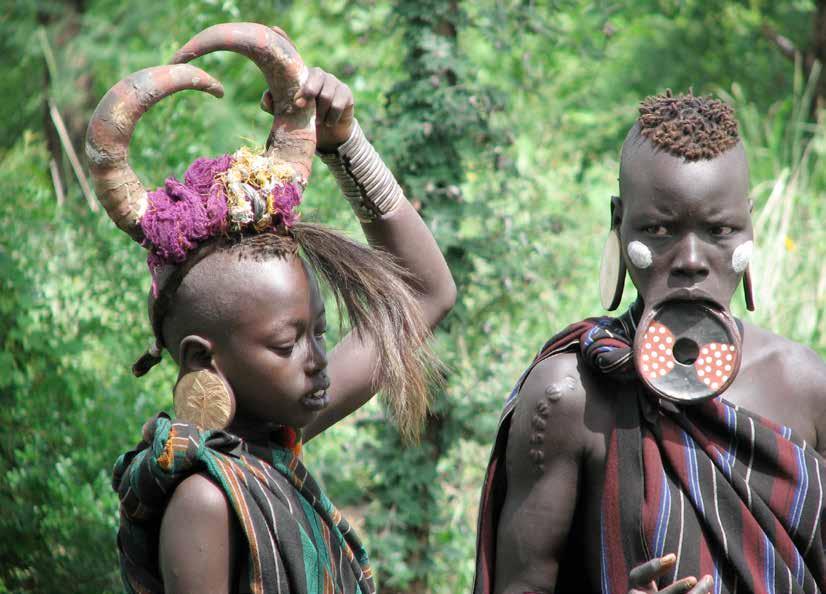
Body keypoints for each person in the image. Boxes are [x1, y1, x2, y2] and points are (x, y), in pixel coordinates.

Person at [89, 23, 455, 593]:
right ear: (201, 358)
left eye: (320, 334)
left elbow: (424, 295)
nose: (317, 361)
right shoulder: (203, 500)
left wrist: (345, 146)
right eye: (287, 345)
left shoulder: (274, 437)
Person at [473, 91, 826, 594]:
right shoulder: (570, 395)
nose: (690, 259)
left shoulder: (808, 388)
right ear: (619, 221)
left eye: (720, 230)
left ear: (749, 225)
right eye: (659, 229)